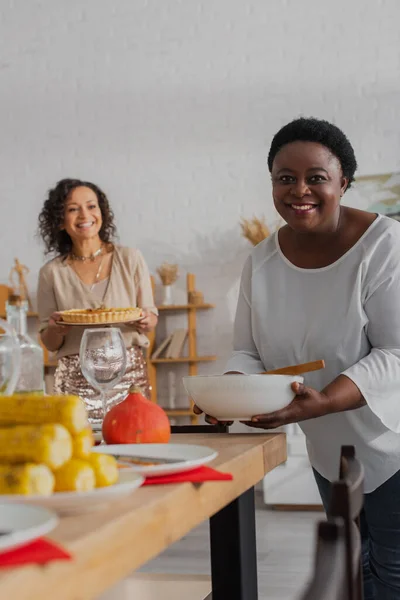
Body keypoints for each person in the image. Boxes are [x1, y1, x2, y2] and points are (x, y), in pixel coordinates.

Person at [195, 117, 400, 599]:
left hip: (394, 442)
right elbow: (248, 352)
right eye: (285, 178)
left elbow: (396, 352)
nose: (299, 190)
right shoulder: (262, 262)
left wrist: (326, 400)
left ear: (344, 183)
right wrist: (229, 394)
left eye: (316, 177)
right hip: (330, 450)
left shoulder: (384, 246)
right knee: (356, 569)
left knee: (392, 574)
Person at [37, 178, 157, 422]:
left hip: (128, 377)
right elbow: (49, 342)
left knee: (134, 446)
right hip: (75, 381)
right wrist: (55, 328)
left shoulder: (130, 259)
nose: (85, 215)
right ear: (60, 220)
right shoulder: (51, 273)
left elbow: (150, 317)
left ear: (102, 212)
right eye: (73, 209)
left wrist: (146, 320)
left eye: (92, 206)